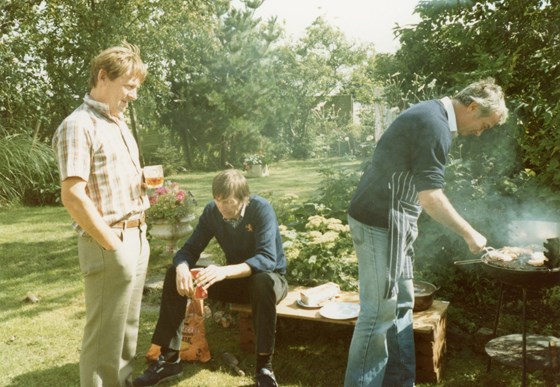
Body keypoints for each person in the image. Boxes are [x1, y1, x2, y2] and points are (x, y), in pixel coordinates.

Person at [344, 78, 508, 387]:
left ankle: (401, 382)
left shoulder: (433, 117)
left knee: (402, 305)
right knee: (378, 316)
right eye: (485, 124)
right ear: (472, 107)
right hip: (381, 222)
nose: (480, 132)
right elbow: (430, 197)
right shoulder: (434, 125)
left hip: (396, 222)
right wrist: (470, 234)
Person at [133, 169, 288, 387]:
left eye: (226, 201)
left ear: (244, 198)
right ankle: (169, 360)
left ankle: (264, 368)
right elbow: (188, 250)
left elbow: (267, 259)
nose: (220, 206)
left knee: (262, 281)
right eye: (217, 200)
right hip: (236, 281)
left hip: (271, 282)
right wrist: (182, 269)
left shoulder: (261, 209)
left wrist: (223, 271)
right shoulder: (212, 212)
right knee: (172, 274)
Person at [52, 43, 149, 387]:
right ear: (103, 77)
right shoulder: (79, 125)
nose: (133, 95)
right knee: (103, 336)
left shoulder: (117, 124)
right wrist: (111, 243)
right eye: (129, 85)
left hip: (136, 236)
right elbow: (73, 195)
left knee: (125, 333)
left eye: (136, 87)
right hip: (109, 240)